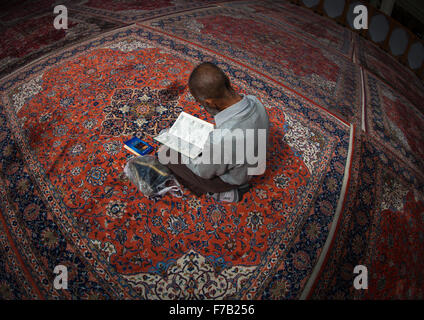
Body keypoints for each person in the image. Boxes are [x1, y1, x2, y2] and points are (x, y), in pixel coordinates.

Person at [162, 62, 270, 202]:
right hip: (253, 162)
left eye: (201, 103)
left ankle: (227, 192)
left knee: (166, 154)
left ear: (211, 102)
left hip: (235, 178)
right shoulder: (255, 101)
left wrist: (182, 146)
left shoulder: (222, 140)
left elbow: (202, 171)